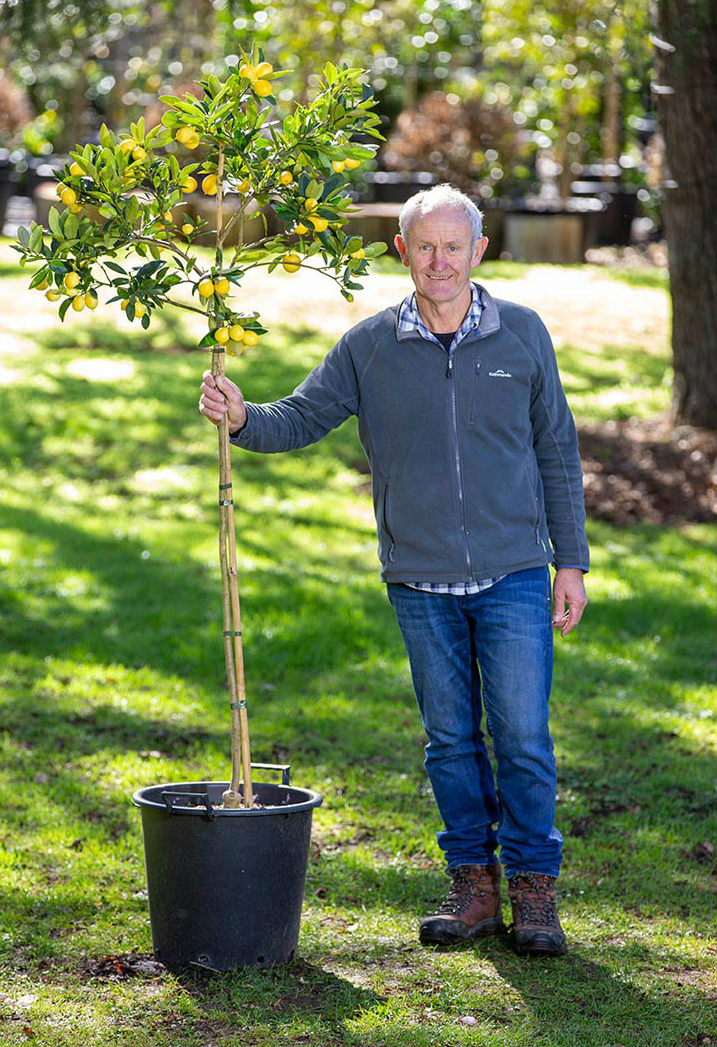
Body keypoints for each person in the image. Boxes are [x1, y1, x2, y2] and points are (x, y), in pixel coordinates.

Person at [199, 184, 589, 957]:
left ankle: (534, 890)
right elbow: (302, 417)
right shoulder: (372, 344)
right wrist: (242, 418)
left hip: (514, 569)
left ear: (479, 252)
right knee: (448, 739)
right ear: (403, 251)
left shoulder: (522, 335)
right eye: (424, 245)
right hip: (418, 577)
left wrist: (569, 562)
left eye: (454, 246)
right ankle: (473, 883)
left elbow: (557, 449)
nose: (438, 261)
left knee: (522, 736)